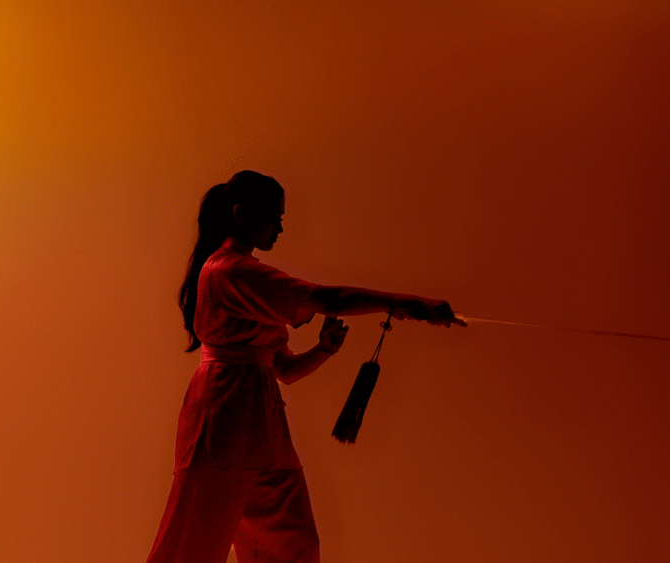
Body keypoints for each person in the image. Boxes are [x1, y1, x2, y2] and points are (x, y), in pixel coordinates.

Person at [146, 170, 461, 563]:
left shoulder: (243, 274)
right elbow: (326, 299)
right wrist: (404, 303)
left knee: (293, 545)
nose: (280, 228)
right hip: (221, 423)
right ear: (241, 214)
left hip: (263, 429)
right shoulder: (228, 271)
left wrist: (324, 350)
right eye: (274, 218)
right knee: (191, 549)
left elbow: (284, 370)